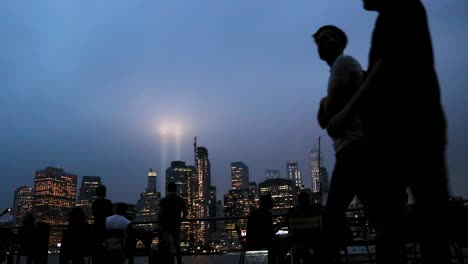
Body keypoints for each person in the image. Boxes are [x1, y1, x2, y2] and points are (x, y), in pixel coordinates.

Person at [327, 0, 450, 263]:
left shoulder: (400, 10)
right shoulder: (398, 15)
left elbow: (382, 69)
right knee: (410, 212)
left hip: (409, 130)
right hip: (410, 129)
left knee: (395, 216)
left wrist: (346, 112)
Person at [313, 25, 372, 261]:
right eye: (318, 41)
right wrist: (325, 104)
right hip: (356, 149)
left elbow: (328, 110)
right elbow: (323, 120)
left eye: (326, 38)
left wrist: (325, 102)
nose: (321, 44)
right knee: (377, 211)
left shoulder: (343, 63)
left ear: (339, 41)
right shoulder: (340, 69)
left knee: (333, 214)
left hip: (353, 148)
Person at [246, 194, 285, 264]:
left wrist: (278, 225)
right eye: (271, 201)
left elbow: (265, 228)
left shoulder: (255, 212)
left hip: (252, 241)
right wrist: (280, 226)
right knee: (281, 243)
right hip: (260, 242)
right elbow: (269, 233)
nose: (273, 202)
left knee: (275, 243)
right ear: (267, 203)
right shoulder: (266, 214)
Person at [158, 182, 187, 264]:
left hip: (166, 227)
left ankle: (170, 262)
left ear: (167, 189)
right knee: (177, 246)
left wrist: (161, 225)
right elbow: (185, 213)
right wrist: (180, 220)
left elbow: (160, 214)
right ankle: (179, 262)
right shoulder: (180, 200)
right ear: (176, 189)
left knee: (169, 246)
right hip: (176, 225)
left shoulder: (163, 200)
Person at [91, 185, 112, 263]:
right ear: (104, 193)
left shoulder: (94, 203)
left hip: (96, 229)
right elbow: (110, 215)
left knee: (97, 250)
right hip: (106, 229)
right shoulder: (108, 202)